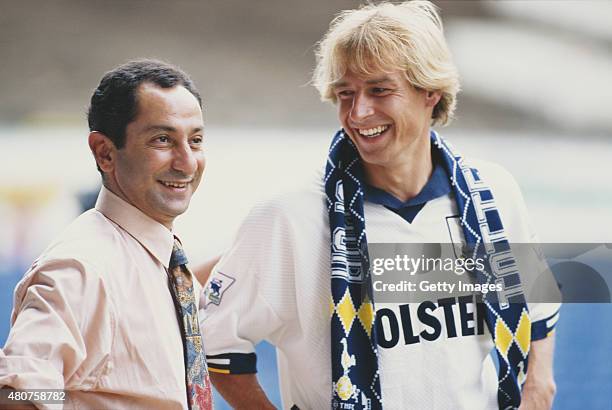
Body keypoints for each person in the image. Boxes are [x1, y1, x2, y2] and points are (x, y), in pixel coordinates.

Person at [201, 2, 560, 409]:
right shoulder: (288, 218)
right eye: (345, 94)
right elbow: (214, 338)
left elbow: (537, 299)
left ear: (430, 92)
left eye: (379, 90)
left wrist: (539, 382)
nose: (359, 113)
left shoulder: (494, 194)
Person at [0, 60, 212, 410]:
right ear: (105, 152)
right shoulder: (81, 267)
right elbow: (15, 395)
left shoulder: (163, 261)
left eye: (196, 140)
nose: (187, 162)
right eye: (163, 140)